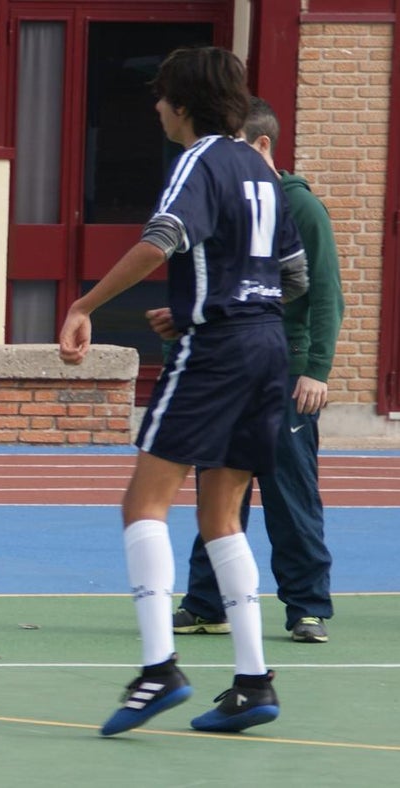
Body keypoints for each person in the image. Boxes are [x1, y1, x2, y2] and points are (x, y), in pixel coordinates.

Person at [58, 47, 308, 736]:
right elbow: (294, 278)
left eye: (162, 95)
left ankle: (157, 667)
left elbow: (163, 237)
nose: (155, 106)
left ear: (185, 102)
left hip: (219, 349)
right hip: (266, 348)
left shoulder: (198, 159)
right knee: (221, 514)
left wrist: (85, 302)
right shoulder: (260, 168)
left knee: (144, 500)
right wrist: (220, 298)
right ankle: (254, 682)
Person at [169, 97, 345, 645]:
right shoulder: (232, 202)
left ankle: (308, 607)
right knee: (217, 491)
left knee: (289, 493)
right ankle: (208, 601)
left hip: (285, 373)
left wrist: (315, 368)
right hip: (230, 368)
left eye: (236, 146)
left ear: (262, 146)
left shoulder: (300, 207)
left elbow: (324, 294)